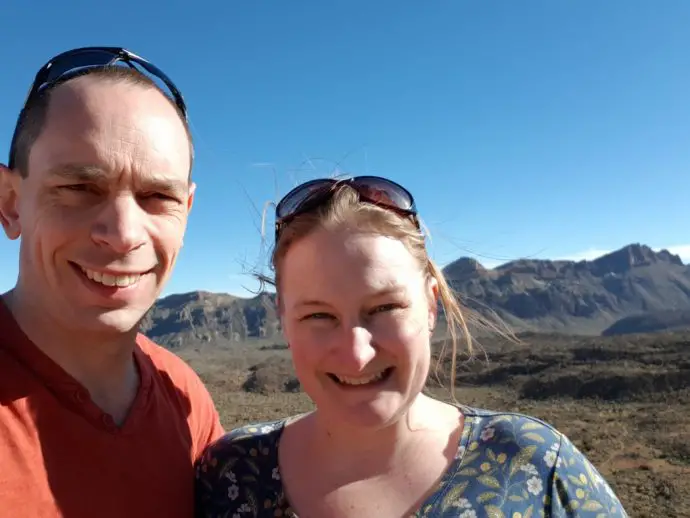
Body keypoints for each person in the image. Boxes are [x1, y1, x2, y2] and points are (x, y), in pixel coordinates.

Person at [194, 176, 628, 517]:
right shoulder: (233, 473)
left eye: (383, 308)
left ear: (431, 307)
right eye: (318, 316)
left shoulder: (532, 463)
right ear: (283, 322)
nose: (356, 353)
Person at [0, 47, 224, 517]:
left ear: (186, 212)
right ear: (10, 202)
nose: (123, 235)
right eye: (80, 188)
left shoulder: (184, 396)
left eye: (158, 196)